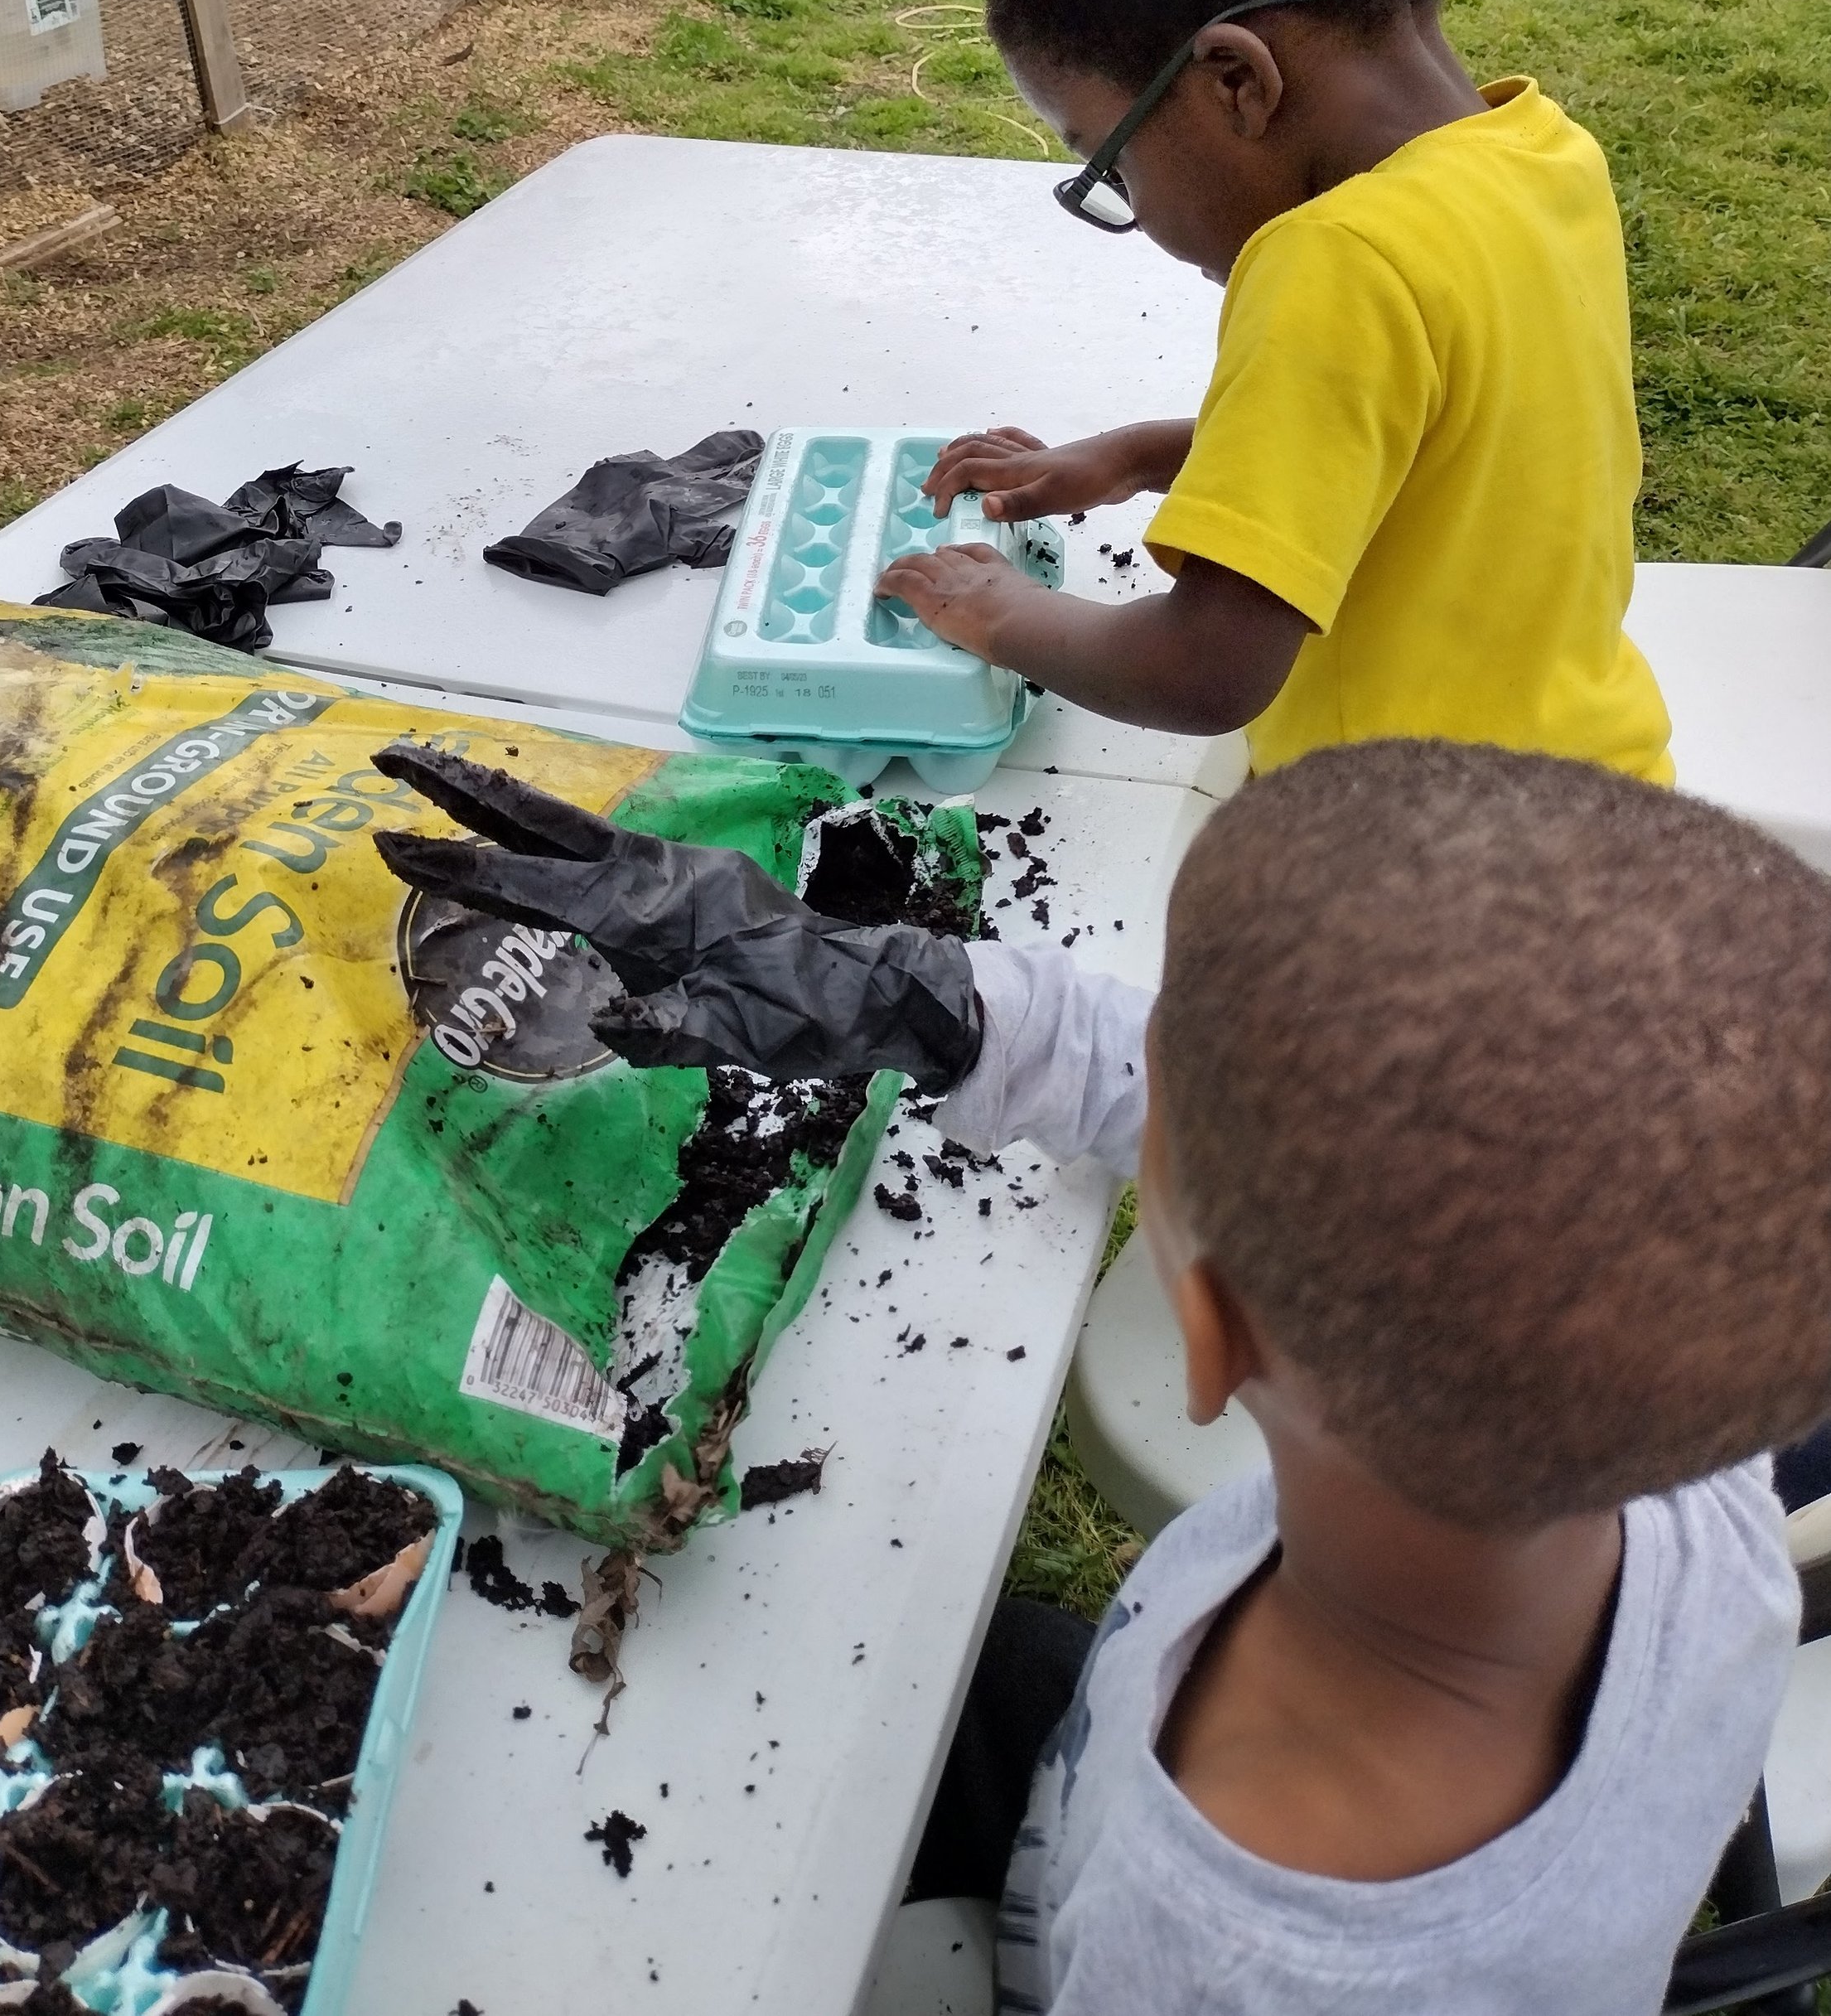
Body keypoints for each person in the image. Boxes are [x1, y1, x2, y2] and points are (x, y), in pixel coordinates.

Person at [376, 741, 1831, 2014]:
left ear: (1206, 1332)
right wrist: (902, 993)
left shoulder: (1216, 1953)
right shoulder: (1696, 1495)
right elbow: (1243, 1107)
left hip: (1083, 1925)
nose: (1152, 1067)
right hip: (1130, 1754)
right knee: (944, 1643)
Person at [873, 0, 1672, 785]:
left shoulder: (1334, 259)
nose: (1132, 208)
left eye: (1110, 162)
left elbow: (1204, 668)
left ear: (1238, 81)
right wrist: (1140, 456)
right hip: (1592, 795)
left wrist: (1006, 612)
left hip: (1406, 875)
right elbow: (1432, 453)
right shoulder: (1543, 159)